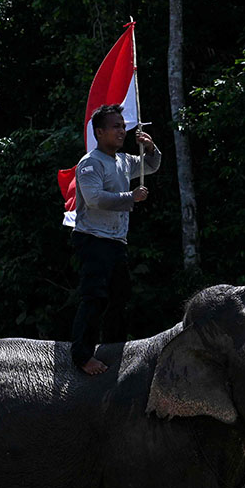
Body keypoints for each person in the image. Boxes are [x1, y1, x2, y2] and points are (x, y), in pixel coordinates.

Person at [70, 104, 161, 374]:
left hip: (116, 241)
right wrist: (130, 197)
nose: (122, 131)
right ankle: (82, 355)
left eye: (123, 126)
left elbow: (151, 166)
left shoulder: (123, 161)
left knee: (120, 297)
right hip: (93, 239)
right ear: (99, 132)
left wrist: (151, 147)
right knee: (94, 296)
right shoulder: (91, 163)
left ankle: (114, 346)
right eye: (115, 127)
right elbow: (94, 198)